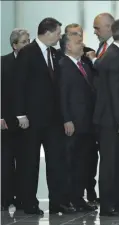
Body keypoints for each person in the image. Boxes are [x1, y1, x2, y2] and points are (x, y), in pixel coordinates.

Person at [14, 17, 75, 214]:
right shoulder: (27, 52)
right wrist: (20, 114)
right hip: (31, 119)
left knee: (57, 162)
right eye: (58, 32)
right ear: (48, 32)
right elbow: (19, 85)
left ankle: (58, 201)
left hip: (54, 120)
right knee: (30, 162)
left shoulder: (56, 54)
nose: (60, 36)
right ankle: (29, 202)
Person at [92, 18, 119, 216]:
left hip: (111, 118)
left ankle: (116, 202)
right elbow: (115, 91)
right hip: (111, 120)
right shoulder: (116, 55)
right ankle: (108, 205)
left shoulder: (113, 53)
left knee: (117, 161)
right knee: (110, 163)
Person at [59, 33, 97, 212]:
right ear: (67, 46)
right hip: (73, 123)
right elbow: (62, 95)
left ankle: (79, 198)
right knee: (71, 162)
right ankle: (69, 198)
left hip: (88, 123)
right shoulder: (63, 65)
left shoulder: (84, 64)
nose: (82, 45)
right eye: (78, 42)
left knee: (84, 162)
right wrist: (67, 119)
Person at [1, 28, 30, 211]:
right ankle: (5, 197)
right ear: (14, 45)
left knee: (25, 161)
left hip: (28, 122)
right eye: (24, 42)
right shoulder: (3, 62)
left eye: (29, 41)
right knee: (6, 161)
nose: (28, 45)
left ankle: (22, 198)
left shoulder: (33, 62)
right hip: (7, 121)